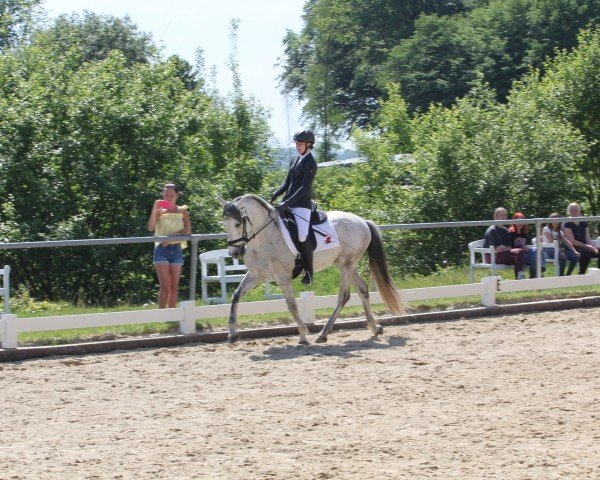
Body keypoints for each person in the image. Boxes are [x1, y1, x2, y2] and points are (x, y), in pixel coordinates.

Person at [271, 129, 318, 285]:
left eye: (300, 143)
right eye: (296, 143)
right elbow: (287, 182)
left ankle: (309, 272)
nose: (297, 145)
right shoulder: (294, 160)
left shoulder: (311, 163)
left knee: (303, 235)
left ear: (309, 145)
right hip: (288, 202)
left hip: (301, 206)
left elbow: (304, 188)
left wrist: (287, 203)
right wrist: (277, 193)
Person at [147, 182, 191, 308]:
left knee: (174, 287)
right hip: (162, 249)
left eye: (171, 195)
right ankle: (162, 315)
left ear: (177, 195)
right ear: (162, 196)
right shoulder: (160, 211)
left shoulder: (182, 210)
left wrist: (171, 238)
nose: (169, 197)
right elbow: (150, 227)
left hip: (176, 249)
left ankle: (172, 316)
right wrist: (155, 208)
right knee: (165, 286)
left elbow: (188, 231)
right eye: (166, 195)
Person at [483, 207, 526, 279]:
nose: (503, 217)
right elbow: (496, 250)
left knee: (519, 252)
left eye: (505, 215)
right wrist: (503, 248)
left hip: (504, 254)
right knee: (518, 254)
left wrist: (504, 248)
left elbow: (508, 247)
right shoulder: (492, 230)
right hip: (493, 257)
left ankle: (520, 276)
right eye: (501, 215)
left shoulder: (505, 230)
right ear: (495, 217)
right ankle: (520, 277)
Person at [563, 202, 599, 274]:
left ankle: (598, 273)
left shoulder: (584, 222)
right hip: (572, 248)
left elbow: (587, 238)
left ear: (579, 211)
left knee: (597, 251)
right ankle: (581, 273)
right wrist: (588, 247)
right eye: (572, 210)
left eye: (576, 210)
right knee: (586, 252)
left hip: (584, 246)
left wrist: (592, 247)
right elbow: (572, 241)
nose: (574, 212)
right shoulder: (567, 223)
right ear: (568, 212)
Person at [509, 212, 546, 278]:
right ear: (514, 221)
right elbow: (510, 248)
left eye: (522, 221)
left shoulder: (525, 234)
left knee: (539, 251)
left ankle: (539, 270)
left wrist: (526, 248)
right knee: (535, 254)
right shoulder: (511, 233)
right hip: (517, 256)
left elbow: (527, 246)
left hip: (526, 254)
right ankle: (537, 273)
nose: (520, 223)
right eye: (518, 221)